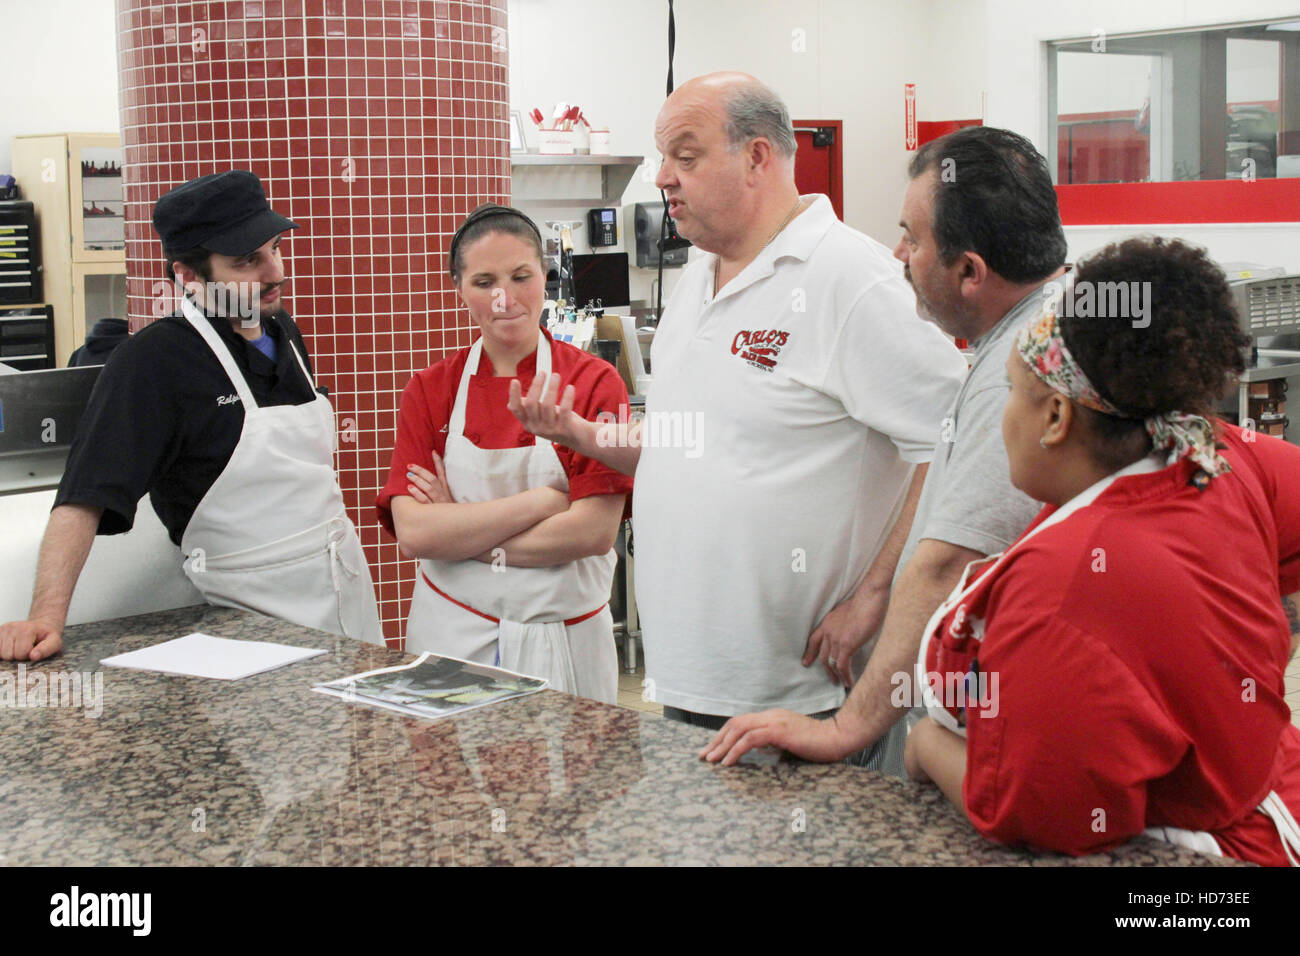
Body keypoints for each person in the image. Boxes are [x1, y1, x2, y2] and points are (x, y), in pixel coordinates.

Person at [510, 73, 968, 727]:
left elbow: (955, 439)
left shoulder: (850, 280)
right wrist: (580, 434)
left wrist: (877, 595)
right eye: (661, 157)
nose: (663, 176)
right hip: (690, 677)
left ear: (757, 157)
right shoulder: (696, 278)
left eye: (685, 156)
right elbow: (688, 447)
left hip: (800, 692)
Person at [902, 237, 1300, 866]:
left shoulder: (1065, 583)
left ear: (1056, 416)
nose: (1002, 417)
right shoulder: (1215, 454)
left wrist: (925, 744)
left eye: (1010, 391)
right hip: (1275, 794)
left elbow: (1036, 812)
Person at [700, 126, 1066, 772]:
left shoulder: (1026, 368)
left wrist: (847, 727)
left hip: (1004, 721)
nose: (899, 252)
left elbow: (950, 559)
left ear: (970, 272)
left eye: (914, 238)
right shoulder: (1042, 330)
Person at [0, 169, 383, 661]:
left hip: (344, 593)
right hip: (248, 621)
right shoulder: (154, 362)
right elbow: (83, 498)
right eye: (248, 261)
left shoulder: (283, 331)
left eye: (274, 249)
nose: (275, 273)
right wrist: (44, 619)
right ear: (188, 276)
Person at [375, 204, 633, 704]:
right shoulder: (431, 391)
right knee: (452, 783)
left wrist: (456, 529)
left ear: (546, 277)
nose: (504, 298)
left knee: (572, 782)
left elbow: (593, 533)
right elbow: (414, 533)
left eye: (521, 276)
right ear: (458, 289)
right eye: (483, 281)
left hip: (566, 640)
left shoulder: (594, 382)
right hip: (451, 638)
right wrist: (545, 502)